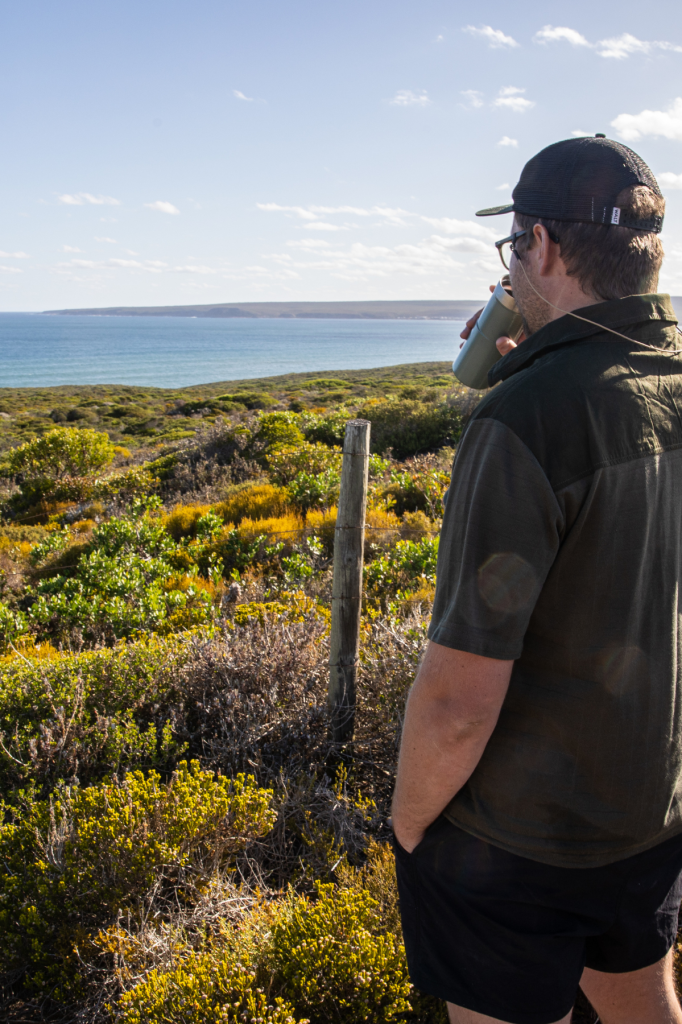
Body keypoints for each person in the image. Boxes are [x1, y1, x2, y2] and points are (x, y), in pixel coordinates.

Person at [391, 135, 682, 1024]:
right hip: (650, 806)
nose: (511, 266)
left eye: (514, 245)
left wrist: (409, 825)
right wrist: (542, 355)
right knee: (643, 1004)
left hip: (518, 839)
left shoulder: (525, 419)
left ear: (544, 246)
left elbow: (459, 700)